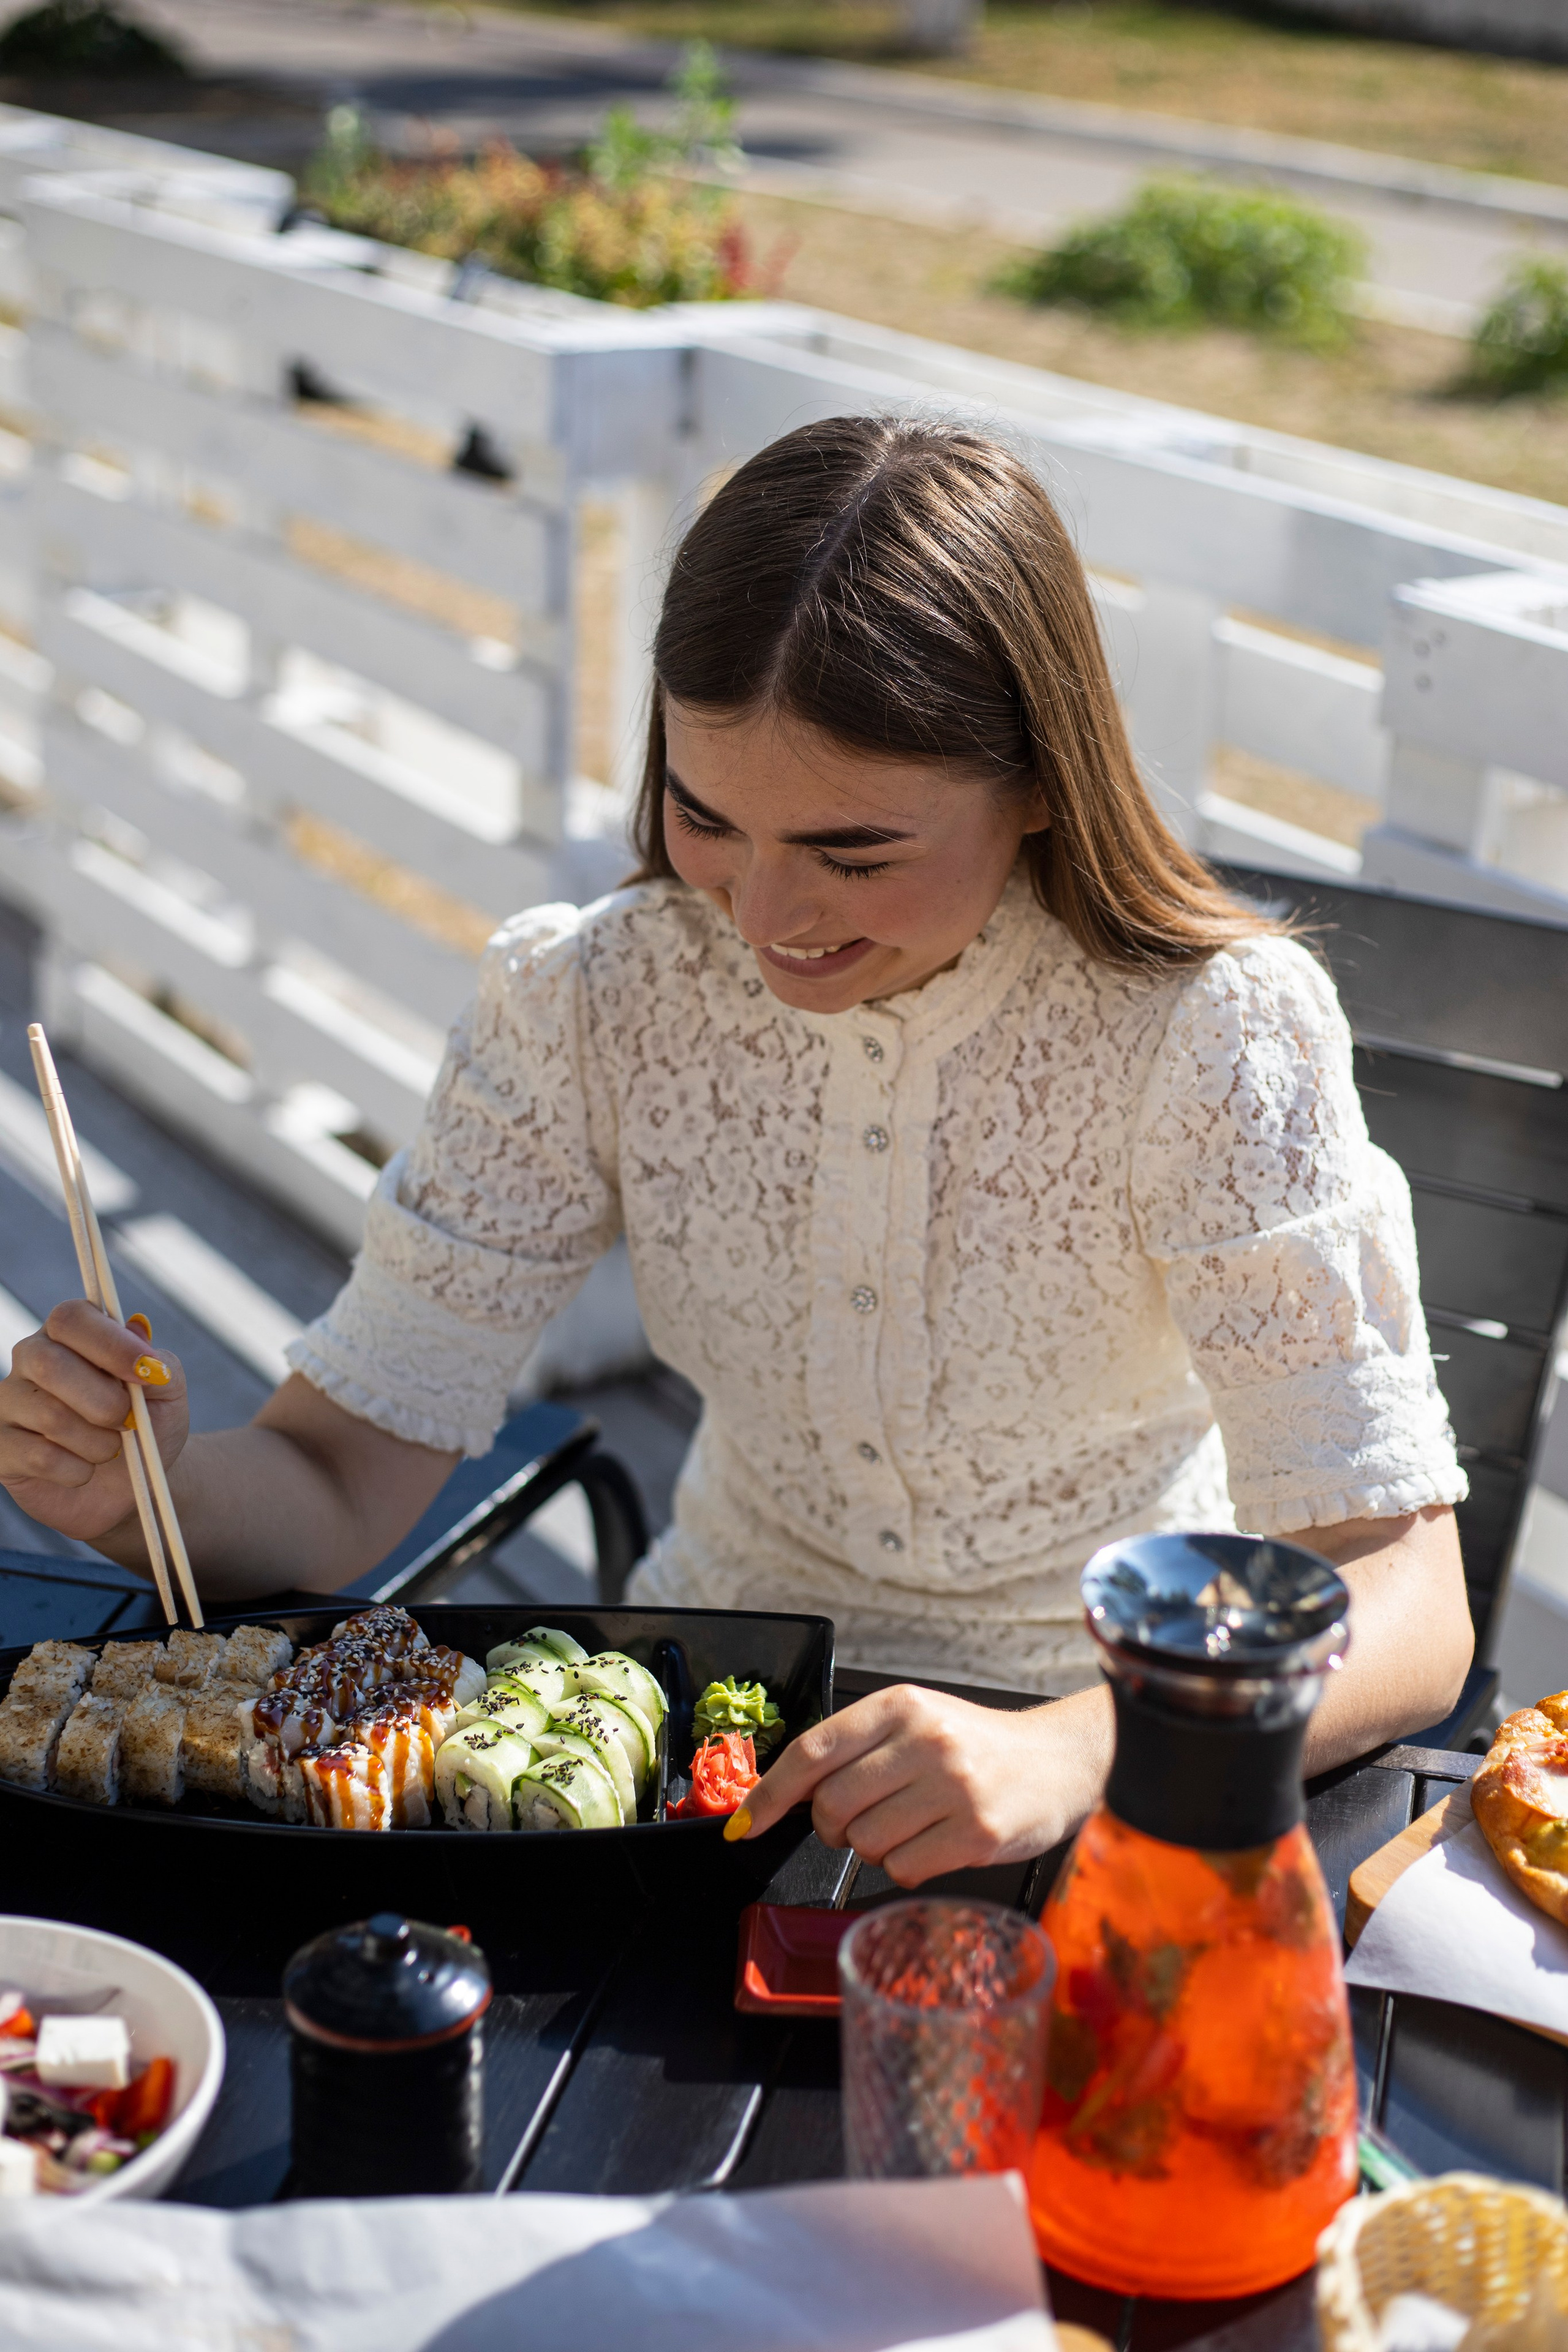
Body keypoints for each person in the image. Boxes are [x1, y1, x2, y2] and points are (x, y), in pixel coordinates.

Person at [0, 417, 1472, 1885]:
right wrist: (145, 1493)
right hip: (684, 1748)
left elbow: (1403, 1603)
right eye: (707, 818)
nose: (765, 917)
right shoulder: (592, 995)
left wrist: (1077, 1746)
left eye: (851, 853)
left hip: (1105, 1753)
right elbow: (333, 1484)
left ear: (1037, 779)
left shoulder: (1208, 1029)